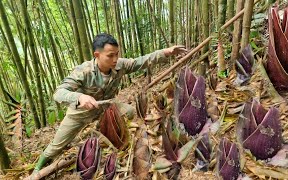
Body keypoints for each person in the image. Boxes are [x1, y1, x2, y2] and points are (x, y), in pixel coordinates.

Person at [32, 33, 187, 174]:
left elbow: (141, 61)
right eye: (110, 55)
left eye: (117, 54)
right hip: (80, 113)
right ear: (97, 55)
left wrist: (165, 52)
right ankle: (37, 169)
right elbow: (59, 92)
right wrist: (79, 98)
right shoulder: (83, 71)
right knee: (56, 146)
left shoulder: (119, 65)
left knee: (131, 112)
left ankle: (117, 140)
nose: (115, 59)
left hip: (106, 108)